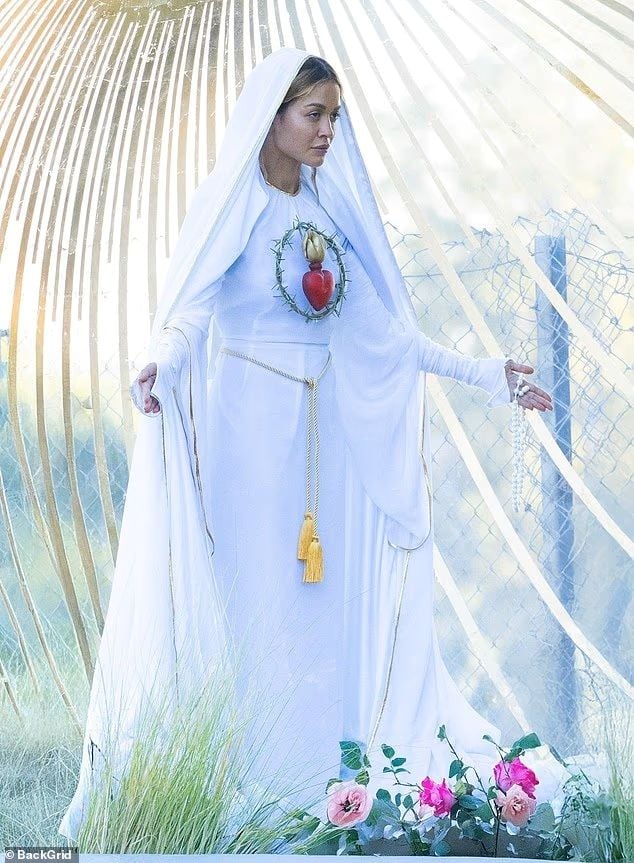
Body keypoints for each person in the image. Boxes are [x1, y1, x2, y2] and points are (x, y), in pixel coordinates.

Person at [59, 47, 552, 840]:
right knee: (255, 598)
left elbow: (387, 336)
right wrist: (164, 363)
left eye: (334, 116)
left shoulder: (328, 218)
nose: (326, 131)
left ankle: (323, 781)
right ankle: (250, 779)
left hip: (327, 452)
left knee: (318, 605)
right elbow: (190, 311)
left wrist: (489, 375)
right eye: (312, 114)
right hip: (248, 440)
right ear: (274, 116)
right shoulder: (234, 205)